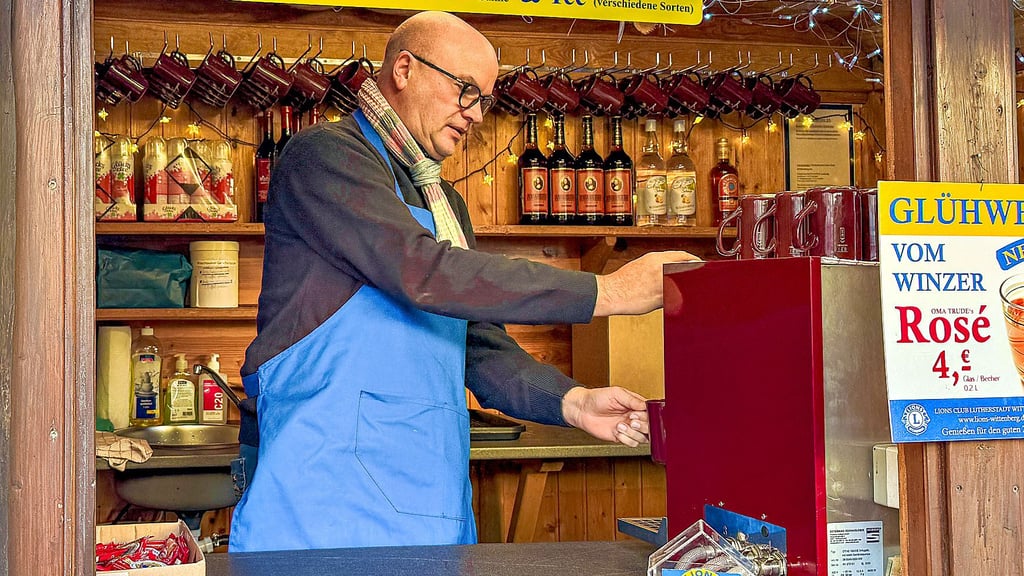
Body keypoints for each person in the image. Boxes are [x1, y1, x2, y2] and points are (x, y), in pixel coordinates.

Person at [229, 11, 699, 553]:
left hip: (428, 505)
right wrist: (607, 292)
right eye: (465, 90)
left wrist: (572, 401)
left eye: (484, 99)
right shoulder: (326, 158)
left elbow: (478, 344)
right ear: (403, 68)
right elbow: (422, 271)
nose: (474, 114)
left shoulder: (443, 203)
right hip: (324, 505)